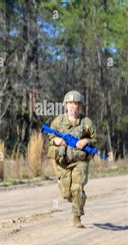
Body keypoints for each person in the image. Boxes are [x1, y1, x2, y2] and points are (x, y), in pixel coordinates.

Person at [47, 90, 98, 228]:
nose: (72, 106)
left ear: (79, 105)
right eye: (69, 103)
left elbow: (95, 140)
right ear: (65, 105)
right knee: (66, 193)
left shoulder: (86, 123)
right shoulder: (58, 122)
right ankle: (79, 198)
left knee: (77, 187)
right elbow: (50, 138)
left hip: (79, 161)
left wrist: (86, 141)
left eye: (75, 103)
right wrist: (56, 141)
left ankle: (77, 218)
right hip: (62, 162)